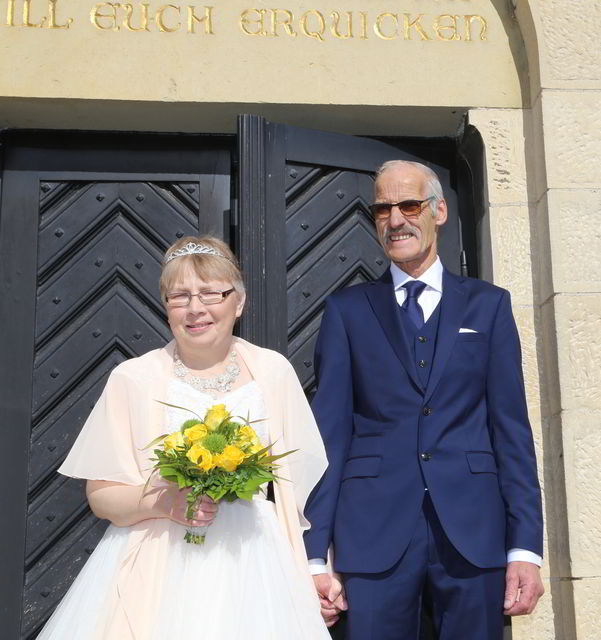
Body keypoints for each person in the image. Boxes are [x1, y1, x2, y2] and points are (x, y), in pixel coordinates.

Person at [38, 235, 330, 640]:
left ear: (238, 302)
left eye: (211, 293)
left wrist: (318, 566)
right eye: (180, 296)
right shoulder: (133, 378)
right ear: (166, 308)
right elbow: (101, 495)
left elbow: (306, 487)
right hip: (159, 563)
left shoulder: (273, 371)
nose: (196, 308)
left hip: (258, 566)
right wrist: (164, 500)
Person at [303, 160, 545, 639]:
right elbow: (328, 434)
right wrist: (314, 551)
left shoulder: (488, 306)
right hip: (371, 528)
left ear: (439, 211)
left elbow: (511, 429)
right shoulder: (347, 311)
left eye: (409, 205)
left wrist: (525, 549)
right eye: (382, 209)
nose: (395, 220)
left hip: (475, 529)